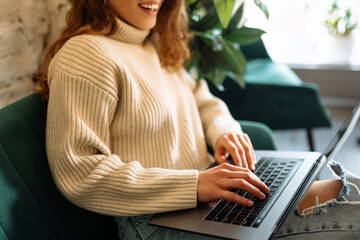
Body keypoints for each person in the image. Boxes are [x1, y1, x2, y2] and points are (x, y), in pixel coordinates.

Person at [37, 0, 360, 239]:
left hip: (207, 200)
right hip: (153, 222)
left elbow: (205, 99)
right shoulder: (85, 55)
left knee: (352, 188)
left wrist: (224, 133)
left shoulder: (156, 44)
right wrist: (194, 185)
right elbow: (79, 172)